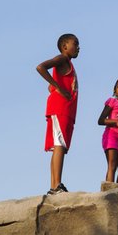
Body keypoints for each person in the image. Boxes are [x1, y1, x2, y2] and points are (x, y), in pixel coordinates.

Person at [36, 33, 80, 194]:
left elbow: (56, 82)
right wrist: (58, 87)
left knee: (60, 147)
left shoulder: (68, 64)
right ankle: (55, 186)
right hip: (60, 108)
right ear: (64, 46)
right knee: (59, 144)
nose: (78, 47)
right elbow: (41, 67)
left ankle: (55, 185)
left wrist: (55, 86)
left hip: (67, 110)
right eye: (75, 43)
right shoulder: (62, 59)